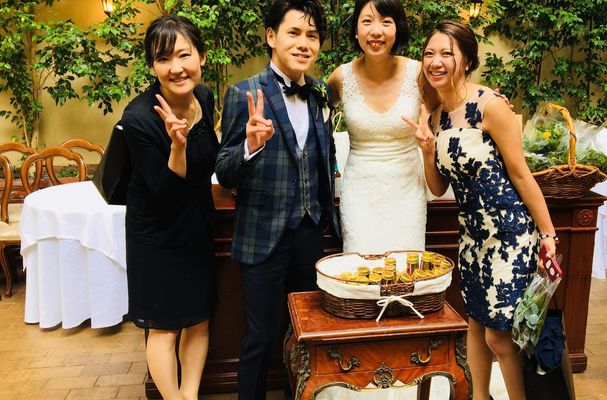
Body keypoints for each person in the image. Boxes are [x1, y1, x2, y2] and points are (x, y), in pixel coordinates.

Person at [403, 21, 558, 400]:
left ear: (468, 60)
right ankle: (479, 396)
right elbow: (438, 187)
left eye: (447, 53)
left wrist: (548, 234)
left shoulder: (491, 106)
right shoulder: (437, 116)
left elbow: (521, 176)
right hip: (473, 238)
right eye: (429, 53)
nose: (435, 61)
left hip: (510, 234)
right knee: (474, 323)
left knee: (499, 336)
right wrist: (427, 149)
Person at [215, 1, 338, 399]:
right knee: (261, 336)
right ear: (271, 36)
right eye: (294, 33)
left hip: (309, 232)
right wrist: (250, 146)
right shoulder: (243, 93)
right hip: (262, 236)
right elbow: (225, 170)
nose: (304, 43)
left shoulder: (319, 93)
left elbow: (322, 157)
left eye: (312, 35)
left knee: (305, 334)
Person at [123, 16, 218, 400]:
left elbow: (209, 162)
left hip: (196, 225)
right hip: (156, 234)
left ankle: (189, 395)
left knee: (198, 320)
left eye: (184, 55)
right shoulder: (138, 118)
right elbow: (163, 191)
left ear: (202, 57)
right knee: (164, 328)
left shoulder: (205, 98)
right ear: (152, 66)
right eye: (163, 59)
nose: (176, 67)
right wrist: (177, 147)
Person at [327, 0, 427, 254]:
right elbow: (315, 115)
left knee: (405, 270)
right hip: (359, 194)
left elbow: (450, 105)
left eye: (386, 22)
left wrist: (486, 102)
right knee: (360, 268)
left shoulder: (418, 73)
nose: (376, 31)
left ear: (397, 28)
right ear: (356, 30)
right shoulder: (341, 77)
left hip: (407, 193)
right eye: (367, 21)